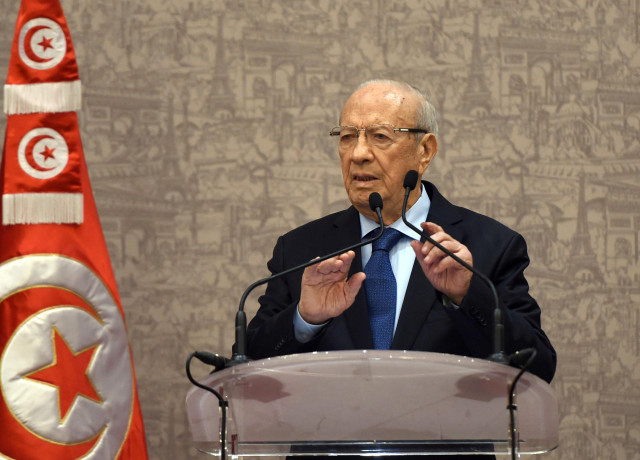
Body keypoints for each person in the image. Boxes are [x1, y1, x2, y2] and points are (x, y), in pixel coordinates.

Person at [245, 80, 556, 457]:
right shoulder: (301, 249)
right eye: (346, 137)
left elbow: (537, 367)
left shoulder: (487, 245)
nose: (358, 154)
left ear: (425, 151)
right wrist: (304, 319)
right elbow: (247, 376)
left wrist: (465, 294)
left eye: (379, 136)